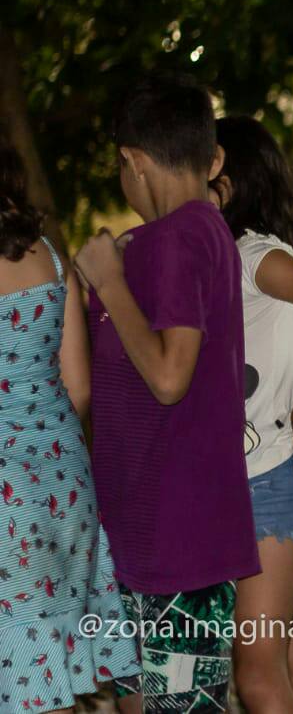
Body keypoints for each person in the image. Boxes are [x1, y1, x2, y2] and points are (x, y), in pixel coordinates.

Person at [77, 76, 257, 711]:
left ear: (133, 161)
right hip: (143, 534)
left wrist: (108, 283)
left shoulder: (179, 236)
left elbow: (170, 376)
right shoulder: (184, 235)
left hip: (178, 541)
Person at [211, 116, 293, 713]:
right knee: (289, 649)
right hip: (253, 478)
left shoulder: (254, 256)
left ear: (225, 180)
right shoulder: (227, 260)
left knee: (257, 675)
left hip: (266, 481)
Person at [0, 146, 141, 713]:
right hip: (64, 483)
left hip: (8, 496)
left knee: (22, 678)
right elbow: (78, 388)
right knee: (44, 668)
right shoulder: (50, 258)